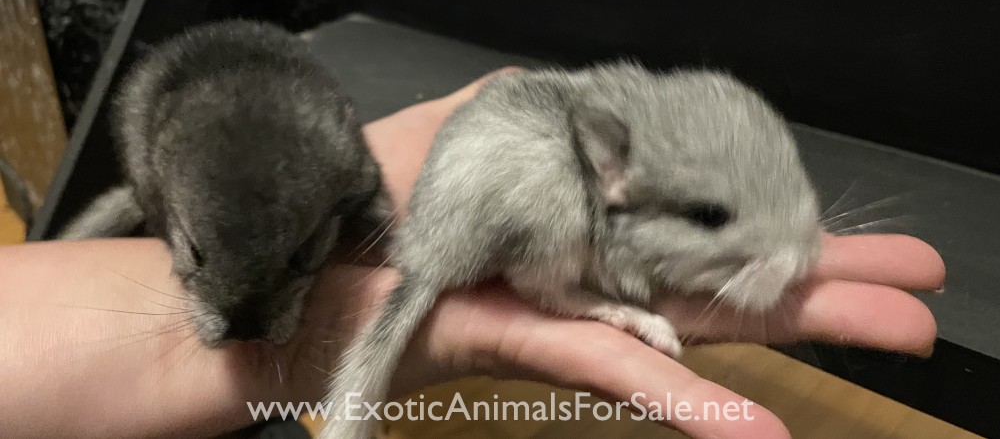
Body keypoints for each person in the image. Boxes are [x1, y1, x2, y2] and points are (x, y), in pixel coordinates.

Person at [0, 70, 945, 439]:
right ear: (616, 177)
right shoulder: (577, 179)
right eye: (715, 217)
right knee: (540, 186)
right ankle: (570, 299)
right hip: (503, 211)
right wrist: (601, 293)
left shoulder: (694, 127)